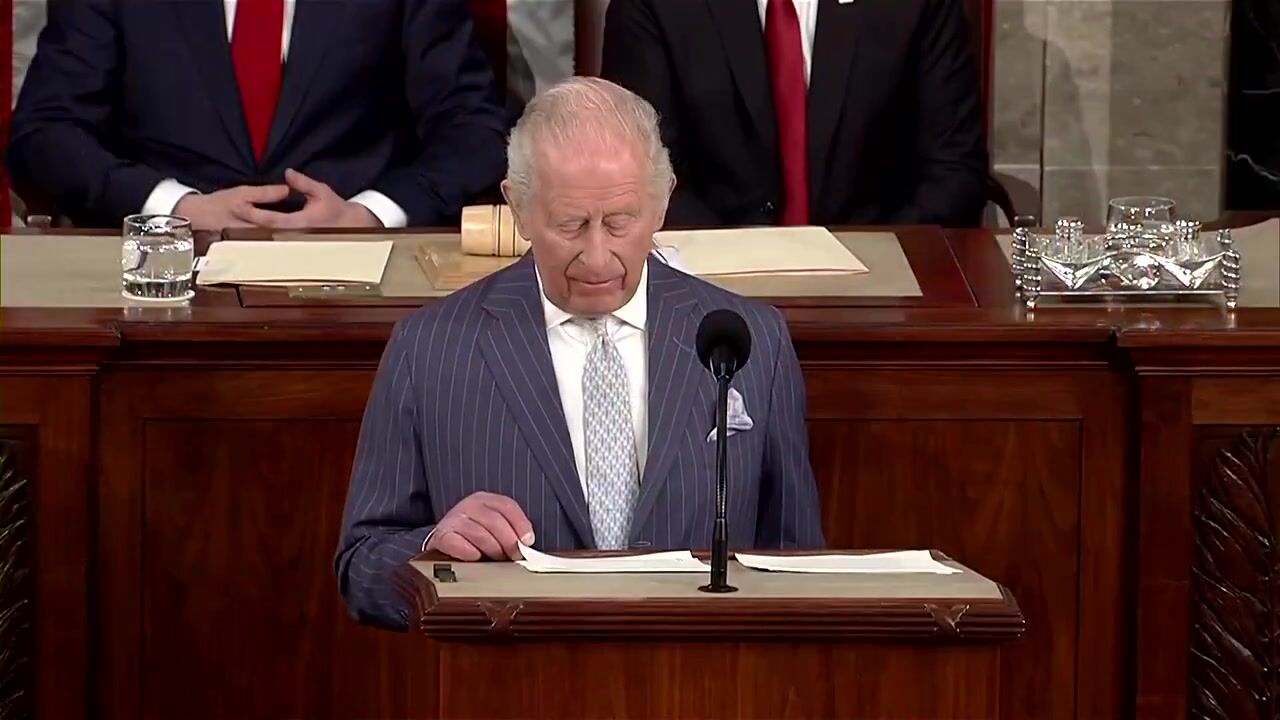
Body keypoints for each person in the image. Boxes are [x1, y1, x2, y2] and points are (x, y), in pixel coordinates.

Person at [335, 77, 825, 629]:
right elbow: (361, 568)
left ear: (662, 202)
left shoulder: (754, 339)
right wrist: (432, 545)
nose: (597, 257)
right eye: (570, 225)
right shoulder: (431, 347)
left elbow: (799, 566)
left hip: (701, 670)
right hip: (515, 671)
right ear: (518, 208)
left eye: (620, 223)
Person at [7, 0, 506, 230]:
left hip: (356, 281)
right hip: (158, 279)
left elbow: (473, 130)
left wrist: (368, 215)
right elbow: (46, 132)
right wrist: (175, 208)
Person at [600, 0, 988, 228]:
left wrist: (879, 261)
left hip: (884, 280)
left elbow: (954, 170)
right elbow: (636, 172)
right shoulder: (653, 6)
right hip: (710, 279)